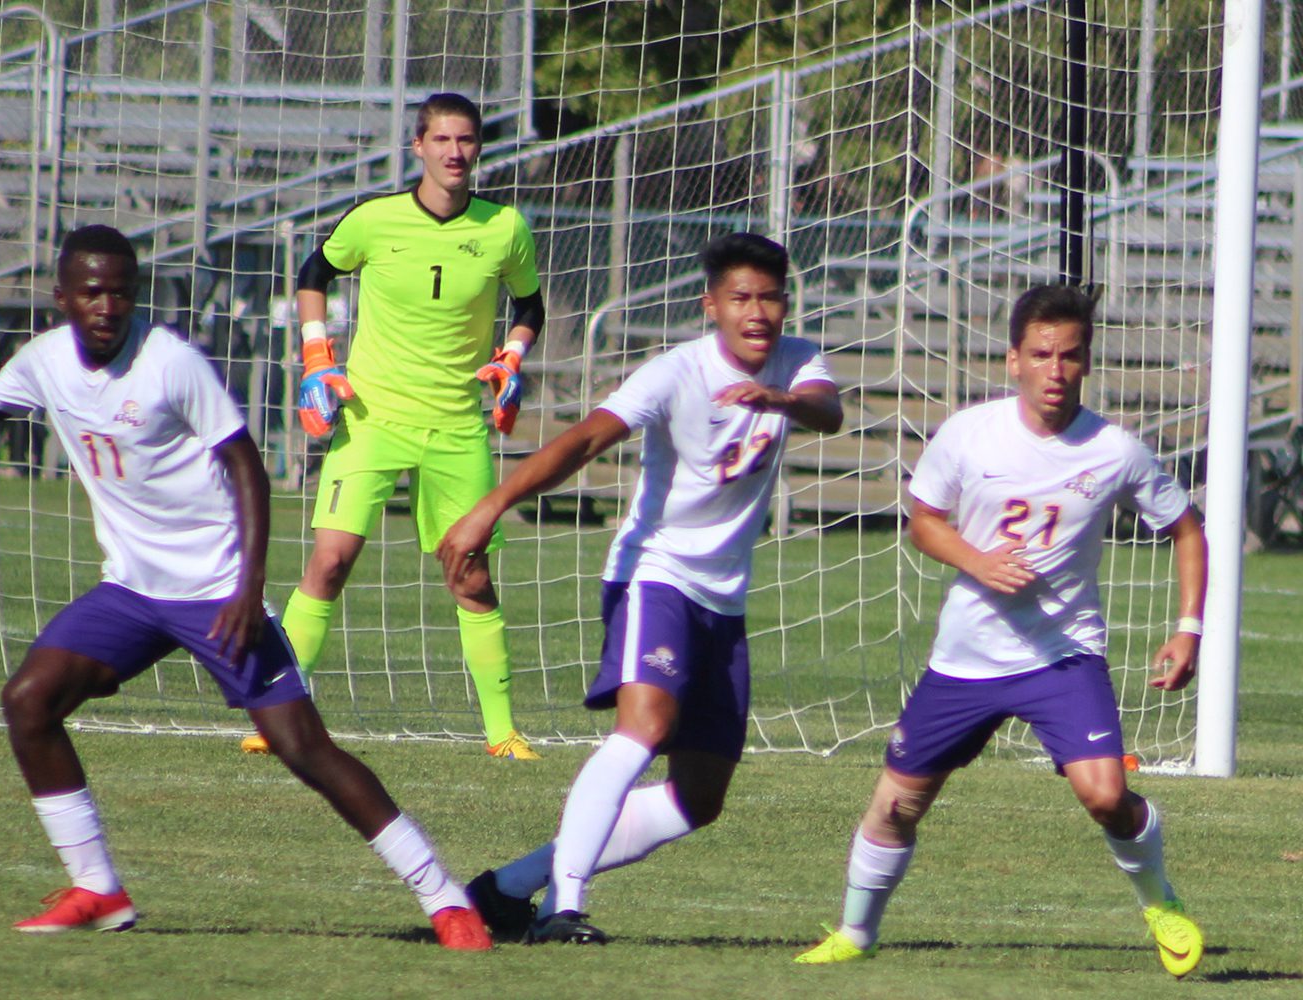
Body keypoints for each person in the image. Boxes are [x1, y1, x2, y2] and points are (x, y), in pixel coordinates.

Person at [0, 225, 492, 950]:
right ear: (63, 297)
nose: (107, 305)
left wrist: (248, 587)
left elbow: (246, 464)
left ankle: (446, 900)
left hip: (216, 590)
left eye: (121, 292)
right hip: (131, 591)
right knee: (30, 701)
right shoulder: (46, 360)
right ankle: (98, 888)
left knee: (301, 747)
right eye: (91, 291)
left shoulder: (170, 363)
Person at [438, 232, 842, 944]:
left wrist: (778, 399)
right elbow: (584, 441)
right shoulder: (676, 371)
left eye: (771, 297)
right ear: (710, 304)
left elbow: (825, 410)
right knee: (644, 729)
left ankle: (507, 888)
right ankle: (563, 908)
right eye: (740, 298)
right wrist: (488, 508)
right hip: (653, 576)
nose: (758, 312)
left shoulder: (800, 359)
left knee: (698, 799)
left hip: (725, 599)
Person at [794, 284, 1207, 977]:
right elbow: (924, 521)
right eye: (1041, 354)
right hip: (967, 658)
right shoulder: (969, 433)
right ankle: (855, 934)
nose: (1055, 370)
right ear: (1014, 359)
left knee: (1106, 793)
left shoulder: (1116, 450)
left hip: (1063, 655)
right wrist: (979, 562)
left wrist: (1188, 629)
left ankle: (1160, 901)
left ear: (1086, 361)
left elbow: (1186, 528)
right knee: (896, 806)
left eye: (1070, 356)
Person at [241, 92, 545, 760]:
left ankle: (503, 733)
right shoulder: (374, 220)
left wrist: (512, 357)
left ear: (478, 149)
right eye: (442, 140)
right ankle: (275, 713)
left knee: (469, 576)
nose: (455, 152)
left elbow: (529, 303)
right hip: (373, 420)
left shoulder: (505, 228)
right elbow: (314, 273)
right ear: (419, 147)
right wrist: (318, 357)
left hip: (457, 427)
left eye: (466, 141)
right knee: (330, 560)